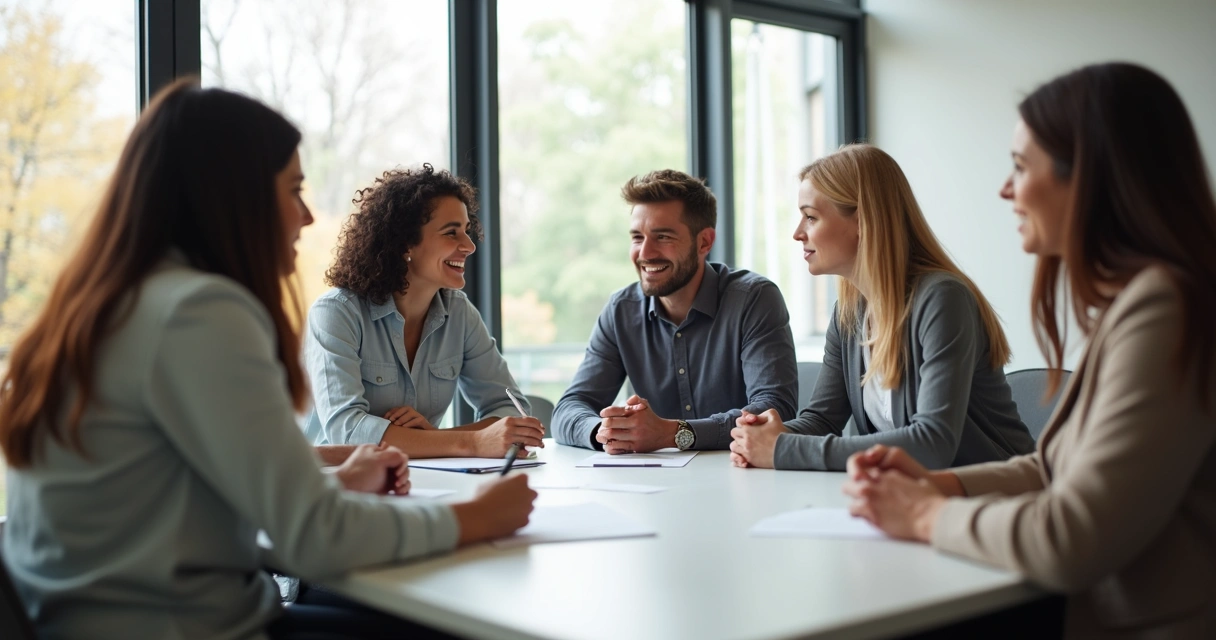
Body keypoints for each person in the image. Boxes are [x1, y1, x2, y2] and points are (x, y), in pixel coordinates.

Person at [0, 79, 536, 640]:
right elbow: (313, 535)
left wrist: (332, 470)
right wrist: (476, 518)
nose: (306, 217)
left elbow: (187, 476)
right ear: (231, 195)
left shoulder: (114, 302)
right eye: (294, 189)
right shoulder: (198, 312)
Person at [843, 63, 1216, 637]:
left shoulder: (1167, 308)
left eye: (1020, 167)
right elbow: (1053, 467)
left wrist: (922, 514)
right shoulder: (1143, 300)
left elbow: (1072, 539)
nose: (1006, 189)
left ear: (1089, 179)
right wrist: (940, 484)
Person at [729, 145, 1034, 471]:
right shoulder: (848, 314)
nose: (797, 233)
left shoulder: (943, 300)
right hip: (912, 497)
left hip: (996, 499)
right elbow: (822, 419)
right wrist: (767, 436)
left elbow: (932, 443)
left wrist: (783, 449)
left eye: (810, 217)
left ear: (862, 220)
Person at [302, 165, 544, 458]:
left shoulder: (459, 313)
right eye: (451, 232)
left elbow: (511, 411)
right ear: (406, 243)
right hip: (337, 486)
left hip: (421, 481)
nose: (469, 245)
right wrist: (473, 442)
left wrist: (436, 439)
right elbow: (347, 431)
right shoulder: (336, 314)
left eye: (467, 231)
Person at [552, 169, 798, 454]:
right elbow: (569, 408)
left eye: (663, 236)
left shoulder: (753, 299)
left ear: (704, 242)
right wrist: (605, 431)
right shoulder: (621, 311)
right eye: (636, 237)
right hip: (654, 486)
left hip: (743, 476)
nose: (645, 253)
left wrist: (672, 434)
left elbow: (774, 408)